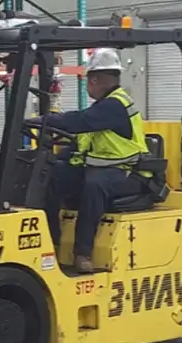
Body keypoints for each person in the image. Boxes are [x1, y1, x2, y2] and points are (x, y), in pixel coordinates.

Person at [33, 48, 151, 274]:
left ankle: (82, 253)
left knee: (94, 184)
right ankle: (51, 242)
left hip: (130, 173)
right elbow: (83, 143)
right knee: (51, 174)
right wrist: (57, 159)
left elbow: (79, 121)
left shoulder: (115, 105)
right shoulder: (101, 108)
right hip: (104, 168)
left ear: (94, 80)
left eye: (88, 81)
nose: (88, 86)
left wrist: (44, 120)